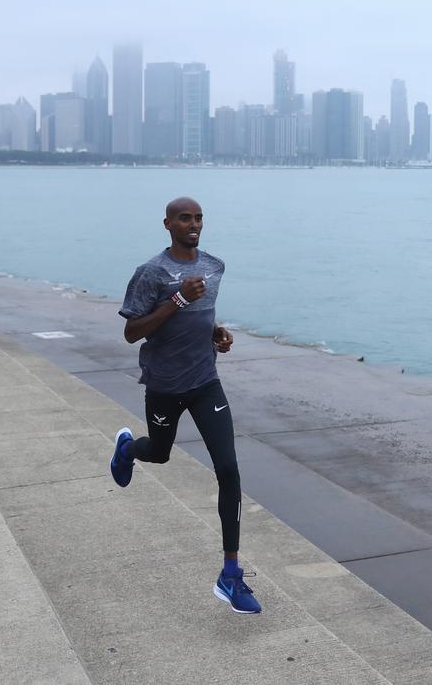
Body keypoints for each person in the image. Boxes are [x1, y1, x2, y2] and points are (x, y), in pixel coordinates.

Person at [109, 196, 261, 614]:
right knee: (158, 453)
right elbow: (131, 332)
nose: (193, 224)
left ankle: (230, 574)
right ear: (167, 224)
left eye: (198, 218)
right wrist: (176, 300)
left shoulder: (214, 266)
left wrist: (216, 332)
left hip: (204, 383)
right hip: (163, 386)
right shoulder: (151, 272)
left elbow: (202, 314)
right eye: (184, 218)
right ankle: (126, 449)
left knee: (228, 470)